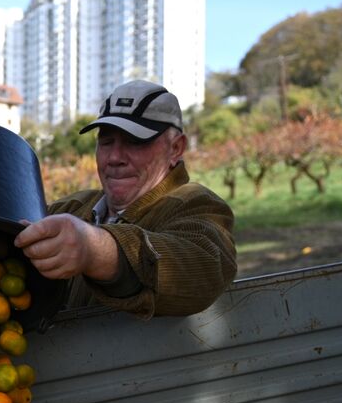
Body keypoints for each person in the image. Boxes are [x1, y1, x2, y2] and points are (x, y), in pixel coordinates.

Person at [14, 79, 237, 319]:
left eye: (135, 142)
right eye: (106, 141)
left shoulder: (197, 206)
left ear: (176, 149)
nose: (115, 157)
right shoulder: (72, 208)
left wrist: (97, 251)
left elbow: (204, 266)